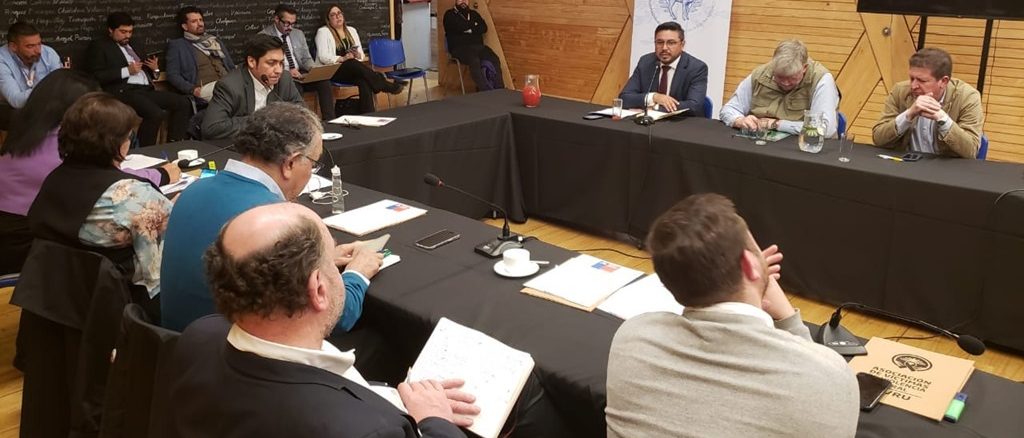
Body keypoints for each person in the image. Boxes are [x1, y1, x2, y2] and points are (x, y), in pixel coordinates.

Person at [166, 202, 477, 437]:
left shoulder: (198, 335)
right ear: (318, 289)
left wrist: (390, 397)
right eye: (332, 260)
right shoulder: (369, 429)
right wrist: (434, 420)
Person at [605, 193, 858, 437]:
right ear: (749, 264)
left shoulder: (633, 339)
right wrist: (786, 315)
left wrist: (752, 283)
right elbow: (813, 369)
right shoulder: (830, 377)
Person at [163, 103, 379, 333]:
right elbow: (338, 317)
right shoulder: (282, 222)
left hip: (179, 343)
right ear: (291, 163)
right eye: (313, 164)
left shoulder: (191, 191)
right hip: (237, 350)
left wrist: (312, 262)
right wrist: (357, 273)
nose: (311, 172)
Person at [0, 70, 178, 276]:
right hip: (29, 256)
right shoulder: (59, 151)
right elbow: (102, 180)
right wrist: (161, 175)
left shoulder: (26, 131)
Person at [27, 92, 173, 315]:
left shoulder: (54, 179)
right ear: (117, 144)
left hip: (53, 305)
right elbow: (158, 276)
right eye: (128, 137)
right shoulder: (135, 196)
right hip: (119, 310)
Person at [85, 12, 191, 146]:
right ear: (111, 30)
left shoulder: (135, 44)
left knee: (182, 102)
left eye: (130, 32)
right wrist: (127, 71)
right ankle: (145, 150)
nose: (127, 36)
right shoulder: (100, 46)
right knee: (155, 113)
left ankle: (175, 144)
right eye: (123, 32)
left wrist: (155, 69)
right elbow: (96, 75)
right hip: (124, 91)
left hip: (145, 89)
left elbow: (149, 71)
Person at [872, 48, 983, 158]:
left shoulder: (968, 97)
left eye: (922, 81)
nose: (913, 86)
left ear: (943, 81)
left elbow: (971, 151)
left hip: (946, 167)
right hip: (906, 164)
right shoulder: (900, 91)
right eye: (912, 78)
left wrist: (943, 120)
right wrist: (907, 115)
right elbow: (878, 139)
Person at [720, 39, 839, 138]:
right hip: (759, 143)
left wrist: (777, 124)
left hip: (803, 147)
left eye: (792, 78)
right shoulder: (761, 74)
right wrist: (739, 120)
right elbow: (728, 109)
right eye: (780, 77)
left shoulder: (821, 79)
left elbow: (825, 129)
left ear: (804, 68)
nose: (785, 83)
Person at [201, 34, 303, 140]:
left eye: (281, 63)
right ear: (252, 62)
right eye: (271, 63)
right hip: (244, 144)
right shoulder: (230, 85)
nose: (279, 70)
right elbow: (212, 128)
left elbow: (302, 112)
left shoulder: (284, 78)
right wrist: (262, 120)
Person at [314, 4, 404, 114]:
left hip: (351, 70)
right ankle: (382, 83)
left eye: (339, 13)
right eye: (333, 15)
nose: (338, 16)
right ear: (328, 20)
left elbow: (361, 54)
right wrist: (342, 58)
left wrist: (357, 55)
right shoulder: (323, 32)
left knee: (364, 80)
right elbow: (323, 56)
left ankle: (368, 114)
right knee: (351, 63)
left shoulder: (351, 30)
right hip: (332, 71)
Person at [259, 3, 337, 120]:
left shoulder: (298, 34)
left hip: (301, 74)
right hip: (281, 76)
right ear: (276, 19)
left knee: (324, 82)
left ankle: (330, 120)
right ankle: (301, 123)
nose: (290, 27)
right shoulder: (264, 36)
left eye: (293, 23)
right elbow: (266, 65)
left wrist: (313, 70)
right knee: (294, 87)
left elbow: (306, 58)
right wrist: (286, 72)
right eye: (287, 23)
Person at [619, 21, 708, 115]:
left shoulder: (696, 68)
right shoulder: (645, 62)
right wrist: (653, 97)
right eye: (660, 42)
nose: (664, 47)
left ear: (682, 45)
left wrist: (654, 108)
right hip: (647, 123)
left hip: (680, 122)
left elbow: (694, 106)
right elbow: (625, 98)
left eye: (671, 43)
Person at [0, 22, 63, 131]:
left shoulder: (49, 53)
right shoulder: (2, 60)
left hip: (46, 108)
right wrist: (48, 89)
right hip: (12, 111)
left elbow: (62, 88)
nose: (38, 51)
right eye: (30, 46)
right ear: (13, 47)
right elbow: (16, 100)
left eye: (39, 44)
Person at [165, 6, 235, 104]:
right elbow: (172, 75)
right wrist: (192, 89)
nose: (200, 24)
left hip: (228, 84)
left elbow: (231, 66)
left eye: (201, 20)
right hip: (207, 90)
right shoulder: (178, 46)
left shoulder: (214, 41)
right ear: (185, 26)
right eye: (194, 21)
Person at [443, 0, 504, 91]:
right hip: (459, 49)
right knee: (474, 60)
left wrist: (468, 29)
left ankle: (500, 89)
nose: (463, 1)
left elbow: (484, 28)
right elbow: (459, 26)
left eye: (466, 0)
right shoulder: (449, 15)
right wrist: (474, 25)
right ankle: (484, 90)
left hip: (478, 47)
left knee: (494, 57)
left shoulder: (474, 14)